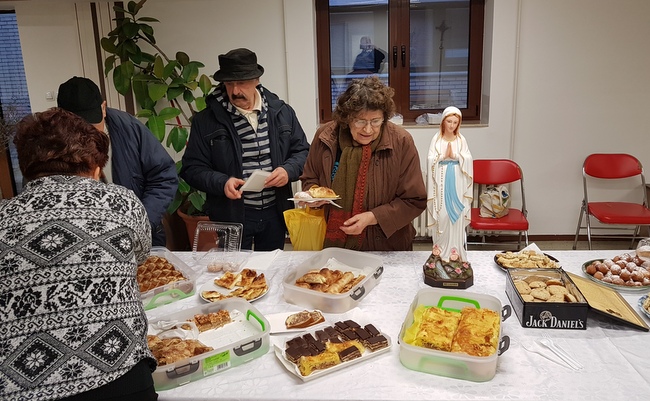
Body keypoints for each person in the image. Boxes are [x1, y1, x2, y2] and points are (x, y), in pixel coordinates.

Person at [0, 108, 157, 401]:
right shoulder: (122, 202)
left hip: (20, 387)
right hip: (122, 376)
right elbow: (140, 255)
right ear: (95, 168)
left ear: (26, 169)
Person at [181, 48, 310, 251]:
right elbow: (192, 168)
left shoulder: (282, 112)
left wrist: (288, 171)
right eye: (229, 84)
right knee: (234, 269)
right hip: (231, 215)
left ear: (257, 80)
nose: (235, 91)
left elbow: (303, 152)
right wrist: (222, 183)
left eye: (241, 83)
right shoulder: (206, 120)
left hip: (274, 212)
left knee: (271, 267)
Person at [300, 76, 427, 251]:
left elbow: (414, 200)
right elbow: (310, 178)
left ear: (384, 118)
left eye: (375, 121)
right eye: (360, 121)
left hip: (387, 245)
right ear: (347, 118)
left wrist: (373, 217)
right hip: (334, 243)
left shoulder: (401, 141)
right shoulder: (325, 137)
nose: (368, 129)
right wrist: (313, 196)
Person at [57, 76, 178, 247]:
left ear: (103, 108)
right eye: (78, 129)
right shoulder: (51, 142)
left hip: (139, 235)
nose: (88, 135)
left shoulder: (130, 128)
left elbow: (164, 175)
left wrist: (143, 222)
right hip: (83, 242)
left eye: (92, 126)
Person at [426, 106, 473, 263]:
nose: (452, 125)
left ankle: (455, 249)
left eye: (455, 122)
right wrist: (442, 157)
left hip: (458, 180)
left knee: (457, 214)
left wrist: (456, 156)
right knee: (442, 213)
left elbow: (468, 159)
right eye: (449, 121)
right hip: (440, 180)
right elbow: (430, 159)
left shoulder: (461, 140)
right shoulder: (437, 139)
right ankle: (440, 247)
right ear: (443, 122)